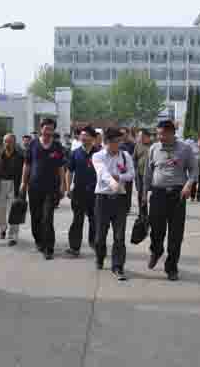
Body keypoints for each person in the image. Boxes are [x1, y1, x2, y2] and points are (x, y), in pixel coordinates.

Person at [142, 119, 198, 281]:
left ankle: (171, 267)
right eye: (158, 134)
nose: (159, 137)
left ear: (172, 133)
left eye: (162, 134)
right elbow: (147, 173)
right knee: (156, 230)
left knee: (176, 234)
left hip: (177, 196)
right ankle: (156, 251)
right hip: (158, 194)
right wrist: (144, 193)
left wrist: (188, 185)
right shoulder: (154, 148)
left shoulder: (185, 149)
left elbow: (194, 170)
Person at [21, 118, 67, 260]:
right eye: (46, 128)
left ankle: (49, 248)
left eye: (51, 129)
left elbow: (61, 167)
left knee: (47, 217)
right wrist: (23, 183)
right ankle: (39, 241)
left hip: (51, 188)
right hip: (34, 186)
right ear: (41, 129)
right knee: (36, 217)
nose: (48, 131)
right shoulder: (33, 144)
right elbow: (27, 164)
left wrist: (63, 184)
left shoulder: (57, 146)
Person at [93, 128, 135, 280]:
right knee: (100, 236)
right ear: (107, 142)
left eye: (119, 141)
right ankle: (100, 256)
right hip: (102, 199)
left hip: (120, 200)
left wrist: (119, 177)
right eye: (115, 142)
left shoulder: (125, 155)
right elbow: (102, 173)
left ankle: (118, 266)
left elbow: (131, 174)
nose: (118, 145)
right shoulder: (98, 156)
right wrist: (112, 183)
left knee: (119, 236)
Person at [65, 126, 99, 257]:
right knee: (77, 220)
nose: (83, 138)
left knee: (94, 220)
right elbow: (69, 171)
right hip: (78, 192)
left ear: (93, 138)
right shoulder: (75, 153)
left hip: (95, 192)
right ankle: (74, 247)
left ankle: (94, 243)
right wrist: (68, 188)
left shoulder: (99, 153)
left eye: (86, 135)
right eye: (82, 135)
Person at [0, 133, 24, 246]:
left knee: (14, 210)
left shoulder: (20, 156)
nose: (7, 143)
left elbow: (24, 172)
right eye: (5, 141)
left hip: (14, 184)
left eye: (10, 141)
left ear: (14, 142)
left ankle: (13, 236)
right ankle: (3, 228)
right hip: (0, 183)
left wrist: (23, 186)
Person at [119, 128, 136, 214]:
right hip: (119, 170)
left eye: (123, 133)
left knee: (128, 189)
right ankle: (121, 206)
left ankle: (127, 207)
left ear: (128, 134)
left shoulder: (132, 145)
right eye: (121, 134)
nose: (122, 135)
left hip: (128, 169)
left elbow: (134, 156)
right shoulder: (119, 144)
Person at [133, 130, 152, 210]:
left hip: (151, 175)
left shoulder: (153, 146)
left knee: (151, 193)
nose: (140, 138)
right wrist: (135, 170)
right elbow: (134, 158)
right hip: (140, 174)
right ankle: (142, 213)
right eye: (139, 136)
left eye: (142, 136)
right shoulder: (138, 145)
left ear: (147, 136)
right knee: (140, 193)